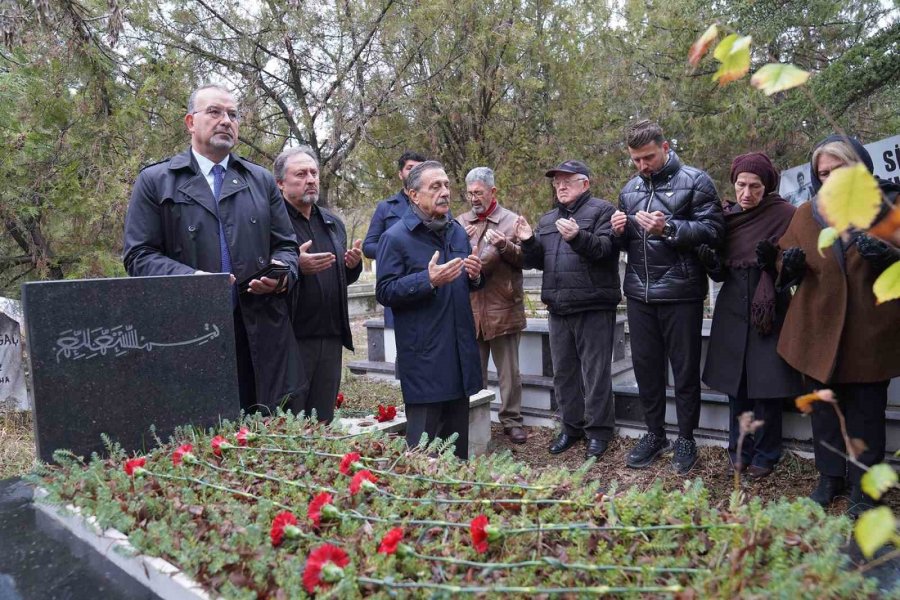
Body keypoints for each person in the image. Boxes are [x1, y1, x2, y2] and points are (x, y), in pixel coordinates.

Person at [124, 84, 303, 412]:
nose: (226, 121)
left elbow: (287, 246)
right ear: (190, 122)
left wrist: (282, 274)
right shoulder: (156, 180)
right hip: (189, 333)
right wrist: (194, 279)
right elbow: (139, 256)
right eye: (215, 112)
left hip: (261, 335)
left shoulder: (260, 180)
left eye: (233, 115)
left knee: (269, 442)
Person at [777, 135, 900, 516]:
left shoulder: (888, 207)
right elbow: (782, 259)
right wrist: (789, 266)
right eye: (822, 173)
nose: (829, 179)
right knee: (824, 411)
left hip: (869, 332)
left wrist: (889, 257)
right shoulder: (806, 213)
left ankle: (865, 491)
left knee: (866, 413)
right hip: (817, 330)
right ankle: (829, 478)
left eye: (838, 170)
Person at [611, 119, 724, 474]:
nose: (642, 166)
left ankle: (686, 437)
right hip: (639, 293)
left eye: (647, 157)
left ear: (665, 148)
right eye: (635, 160)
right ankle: (654, 433)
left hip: (681, 292)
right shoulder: (629, 189)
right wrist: (618, 231)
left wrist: (670, 227)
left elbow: (714, 231)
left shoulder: (696, 181)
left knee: (684, 370)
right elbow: (627, 240)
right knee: (646, 369)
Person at [698, 153, 805, 479]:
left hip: (769, 310)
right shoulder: (726, 218)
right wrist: (711, 264)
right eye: (741, 185)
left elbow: (795, 271)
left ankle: (766, 453)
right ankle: (739, 449)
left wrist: (776, 261)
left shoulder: (786, 215)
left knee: (767, 387)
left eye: (755, 186)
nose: (746, 193)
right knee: (737, 386)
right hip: (732, 309)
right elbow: (720, 274)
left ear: (767, 186)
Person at [375, 160, 484, 460]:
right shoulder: (395, 238)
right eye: (435, 186)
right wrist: (427, 279)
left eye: (447, 185)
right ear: (413, 195)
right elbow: (384, 291)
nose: (445, 192)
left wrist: (474, 275)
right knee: (423, 456)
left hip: (459, 354)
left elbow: (464, 284)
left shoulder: (457, 232)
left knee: (456, 454)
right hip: (425, 360)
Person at [515, 160, 621, 459]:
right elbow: (537, 260)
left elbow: (604, 250)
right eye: (556, 182)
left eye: (567, 181)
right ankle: (571, 427)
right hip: (559, 307)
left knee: (595, 373)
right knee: (563, 373)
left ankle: (599, 432)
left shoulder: (604, 211)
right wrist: (528, 241)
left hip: (594, 306)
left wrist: (577, 236)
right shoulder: (549, 219)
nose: (560, 186)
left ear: (584, 184)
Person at [274, 146, 362, 424]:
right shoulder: (271, 222)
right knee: (291, 421)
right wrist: (296, 266)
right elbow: (261, 272)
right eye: (300, 174)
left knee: (323, 420)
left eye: (314, 173)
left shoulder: (332, 223)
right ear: (280, 183)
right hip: (291, 339)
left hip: (331, 338)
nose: (310, 179)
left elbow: (338, 279)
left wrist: (351, 265)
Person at [456, 167, 528, 444]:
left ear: (493, 192)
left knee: (509, 371)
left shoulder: (512, 221)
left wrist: (505, 246)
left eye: (480, 193)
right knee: (475, 370)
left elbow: (525, 259)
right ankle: (478, 419)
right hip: (471, 307)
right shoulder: (460, 222)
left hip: (503, 306)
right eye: (471, 193)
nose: (474, 198)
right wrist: (464, 238)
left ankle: (512, 421)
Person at [363, 151, 426, 329]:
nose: (415, 172)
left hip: (431, 285)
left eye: (420, 168)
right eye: (410, 168)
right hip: (398, 287)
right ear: (400, 174)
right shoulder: (386, 208)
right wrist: (397, 252)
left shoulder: (437, 206)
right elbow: (368, 247)